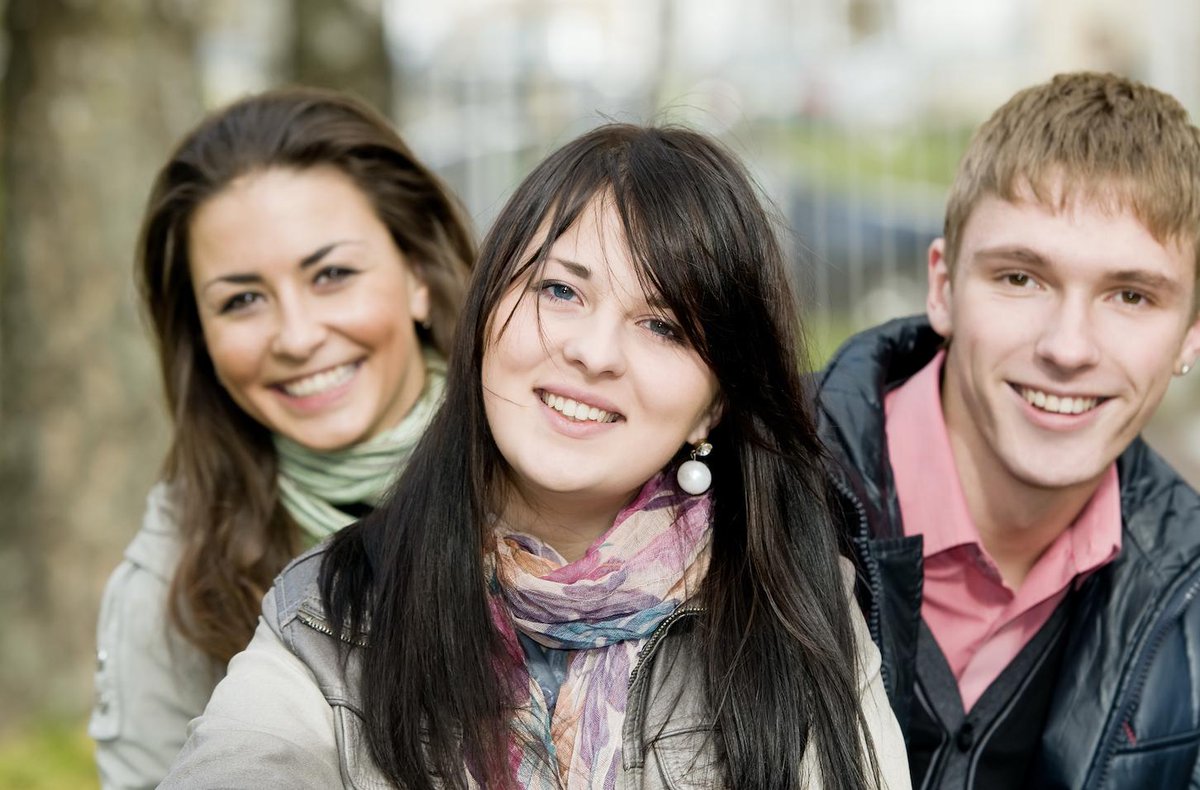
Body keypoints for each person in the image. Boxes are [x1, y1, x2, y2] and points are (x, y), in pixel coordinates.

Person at [159, 123, 910, 789]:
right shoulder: (333, 611)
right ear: (485, 314)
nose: (591, 352)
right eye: (560, 290)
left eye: (664, 326)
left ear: (714, 402)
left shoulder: (792, 605)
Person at [816, 72, 1200, 788]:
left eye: (1131, 295)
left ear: (1189, 336)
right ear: (943, 286)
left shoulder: (1192, 595)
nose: (1068, 346)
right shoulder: (747, 493)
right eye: (1021, 278)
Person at [89, 87, 475, 790]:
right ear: (200, 338)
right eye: (242, 300)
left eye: (332, 275)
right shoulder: (174, 583)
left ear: (417, 273)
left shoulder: (563, 475)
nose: (297, 337)